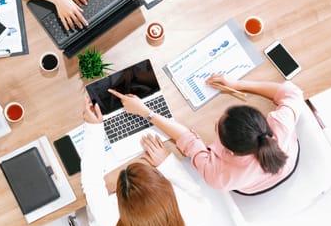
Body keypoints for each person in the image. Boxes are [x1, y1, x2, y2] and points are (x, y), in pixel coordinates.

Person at [109, 74, 304, 195]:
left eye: (217, 127)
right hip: (289, 161)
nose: (214, 122)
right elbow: (292, 92)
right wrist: (238, 84)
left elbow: (188, 141)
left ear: (229, 152)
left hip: (252, 187)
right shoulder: (281, 125)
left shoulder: (218, 175)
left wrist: (146, 112)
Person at [81, 97, 210, 226]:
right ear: (167, 189)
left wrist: (94, 129)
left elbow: (92, 184)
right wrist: (166, 162)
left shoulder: (111, 223)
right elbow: (191, 189)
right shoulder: (198, 212)